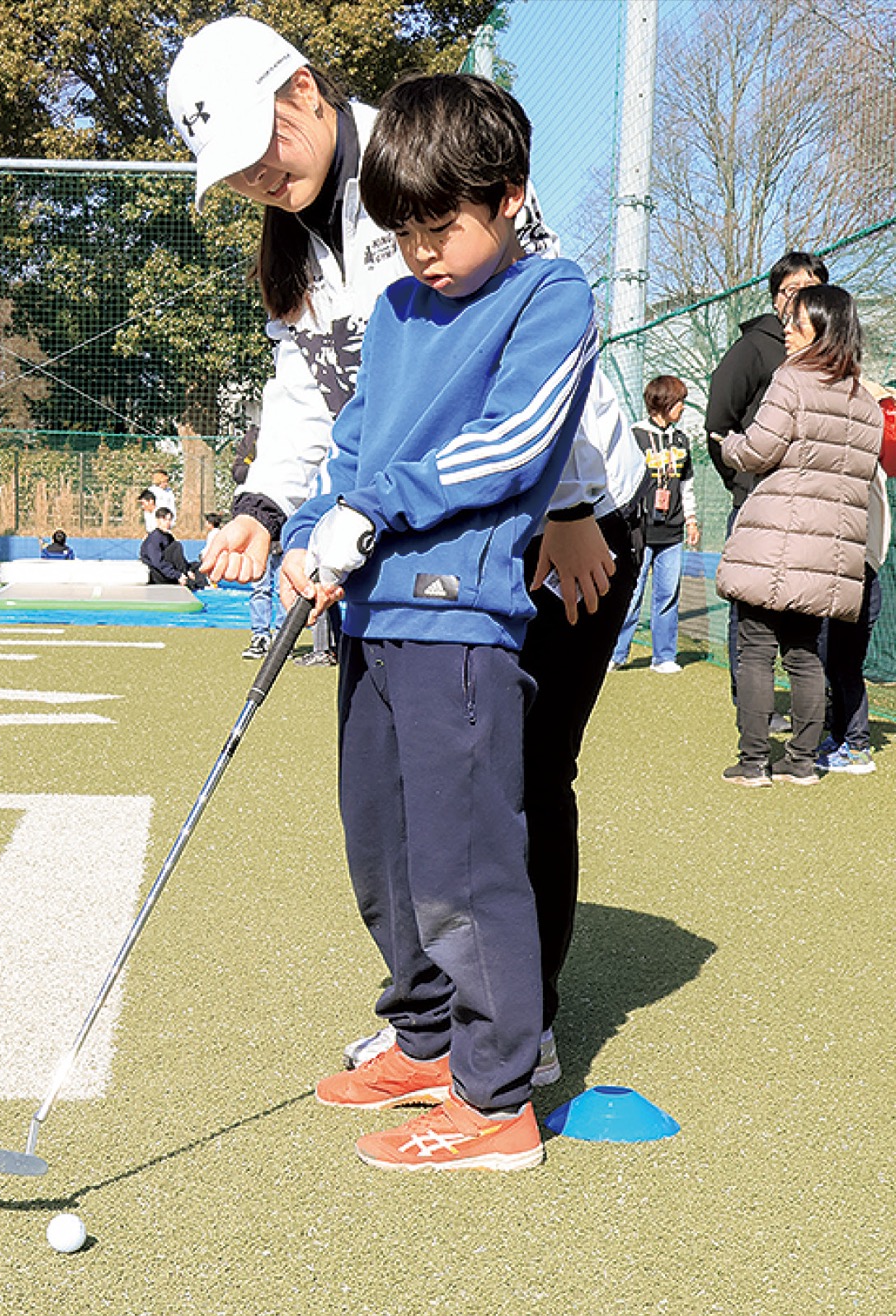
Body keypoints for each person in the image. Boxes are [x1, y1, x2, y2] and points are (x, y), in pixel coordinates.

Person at [166, 16, 646, 1092]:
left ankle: (514, 1031)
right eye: (230, 167)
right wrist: (268, 507)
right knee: (400, 798)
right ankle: (433, 1022)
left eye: (259, 143)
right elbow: (318, 391)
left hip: (556, 518)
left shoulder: (439, 155)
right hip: (406, 528)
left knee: (517, 776)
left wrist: (570, 505)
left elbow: (546, 342)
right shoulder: (301, 236)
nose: (252, 175)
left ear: (303, 92)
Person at [277, 72, 598, 1174]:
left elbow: (509, 445)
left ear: (510, 197)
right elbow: (352, 444)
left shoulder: (551, 294)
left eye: (441, 226)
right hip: (370, 618)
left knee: (465, 865)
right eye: (404, 231)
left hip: (461, 627)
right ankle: (424, 1039)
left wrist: (373, 508)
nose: (421, 252)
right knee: (384, 851)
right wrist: (309, 528)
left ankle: (496, 1097)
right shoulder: (398, 310)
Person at [714, 284, 882, 787]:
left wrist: (730, 445)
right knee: (805, 651)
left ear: (822, 332)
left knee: (756, 646)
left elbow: (760, 450)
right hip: (829, 547)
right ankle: (802, 761)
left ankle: (753, 762)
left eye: (797, 323)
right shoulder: (864, 401)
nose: (786, 330)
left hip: (778, 536)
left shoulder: (790, 380)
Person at [706, 251, 829, 700]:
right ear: (776, 299)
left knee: (808, 622)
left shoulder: (832, 356)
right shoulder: (753, 349)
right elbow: (718, 425)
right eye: (790, 291)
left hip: (813, 512)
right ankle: (753, 709)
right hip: (757, 506)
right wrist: (742, 484)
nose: (798, 300)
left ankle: (814, 713)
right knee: (752, 618)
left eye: (810, 290)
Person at [816, 382, 895, 775]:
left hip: (856, 572)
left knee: (844, 662)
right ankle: (841, 736)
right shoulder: (863, 463)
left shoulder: (863, 467)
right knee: (834, 659)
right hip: (852, 571)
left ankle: (858, 746)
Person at [609, 374, 699, 672]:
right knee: (631, 594)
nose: (683, 407)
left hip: (672, 532)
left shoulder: (681, 440)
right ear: (663, 402)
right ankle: (616, 654)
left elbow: (686, 484)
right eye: (679, 401)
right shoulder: (634, 436)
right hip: (639, 531)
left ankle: (664, 656)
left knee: (667, 595)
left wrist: (691, 520)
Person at [140, 504, 207, 589]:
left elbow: (178, 559)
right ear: (157, 520)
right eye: (164, 520)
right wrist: (178, 575)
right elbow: (158, 563)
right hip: (160, 574)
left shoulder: (168, 536)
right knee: (176, 546)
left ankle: (205, 586)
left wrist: (188, 570)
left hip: (174, 570)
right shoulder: (154, 538)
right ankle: (194, 583)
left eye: (169, 520)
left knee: (198, 566)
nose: (167, 523)